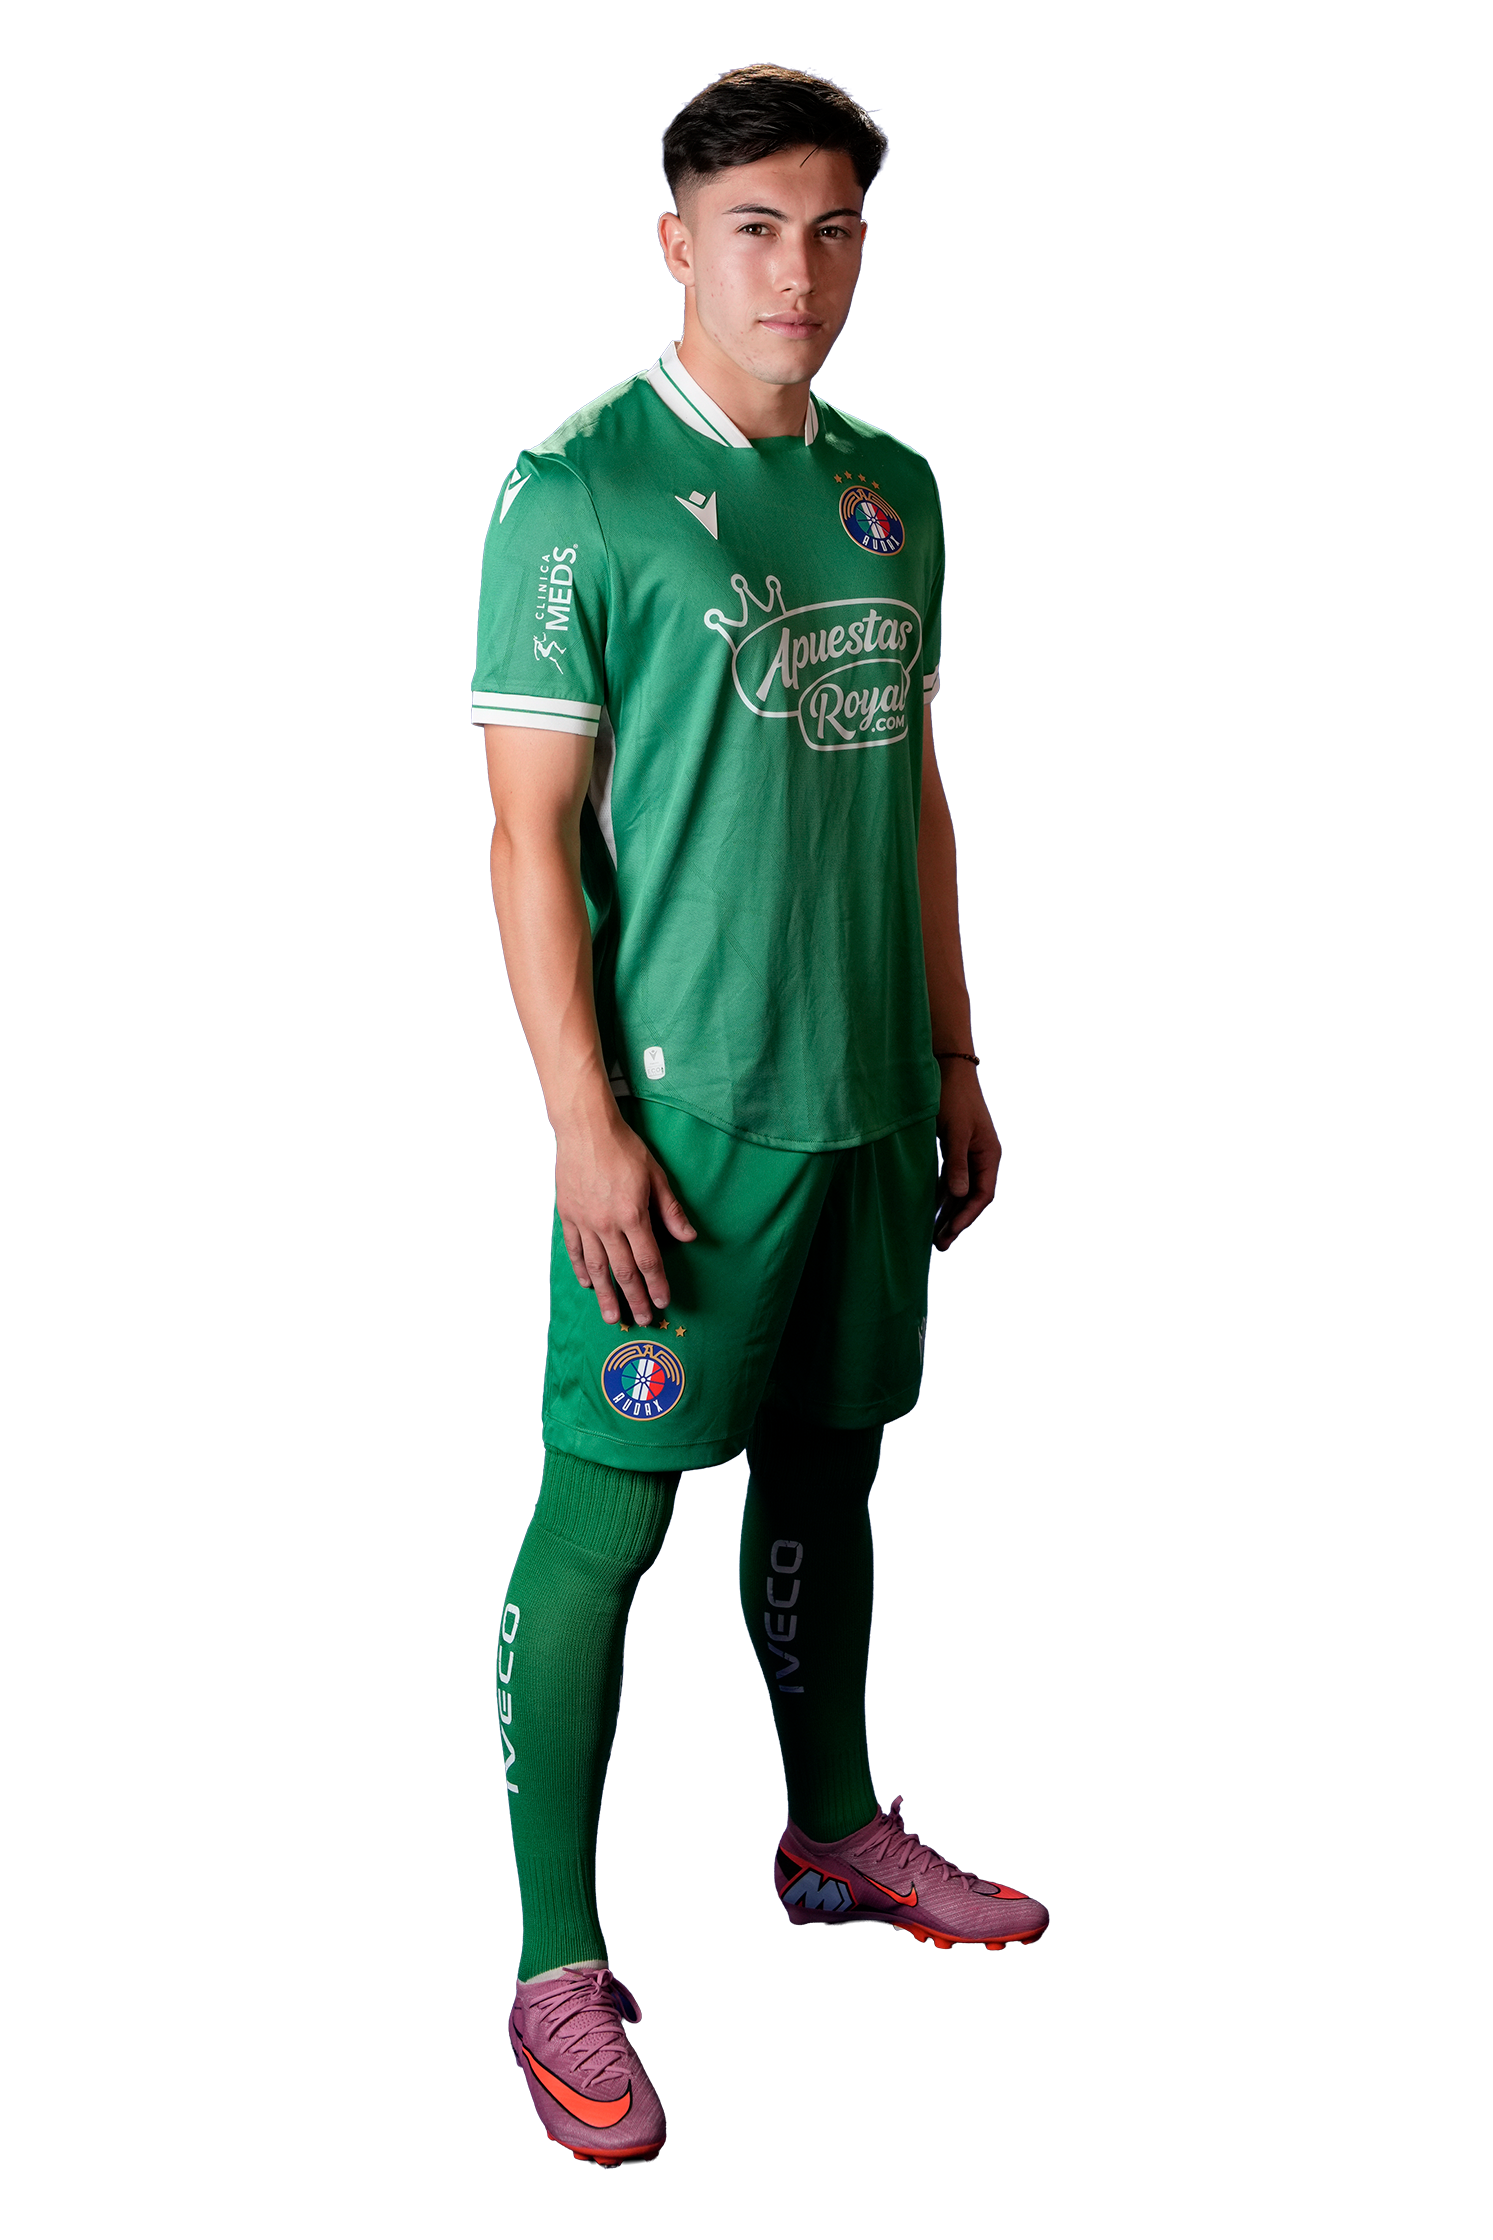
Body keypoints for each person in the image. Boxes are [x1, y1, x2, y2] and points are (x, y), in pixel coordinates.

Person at [475, 64, 1048, 2167]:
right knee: (606, 1522)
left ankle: (829, 1824)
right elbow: (529, 843)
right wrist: (582, 1125)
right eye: (751, 229)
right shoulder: (579, 496)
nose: (794, 269)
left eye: (829, 230)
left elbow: (914, 794)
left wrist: (955, 1058)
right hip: (682, 1125)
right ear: (670, 249)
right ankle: (553, 1952)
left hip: (870, 1104)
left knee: (833, 1477)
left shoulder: (893, 493)